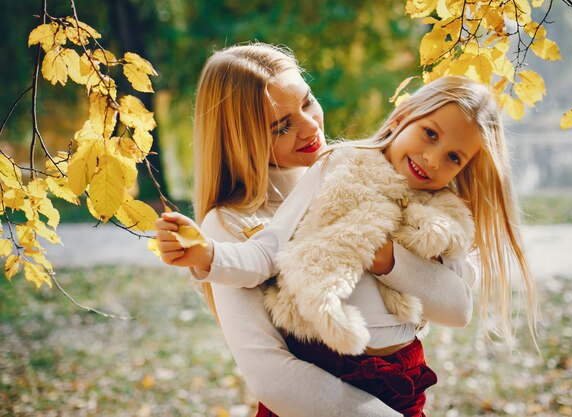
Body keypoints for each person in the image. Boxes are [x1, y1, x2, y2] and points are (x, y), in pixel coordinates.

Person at [156, 44, 477, 417]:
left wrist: (396, 259)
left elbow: (456, 295)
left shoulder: (348, 173)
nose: (310, 127)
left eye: (307, 103)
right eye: (282, 126)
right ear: (242, 139)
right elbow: (270, 376)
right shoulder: (229, 223)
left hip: (398, 390)